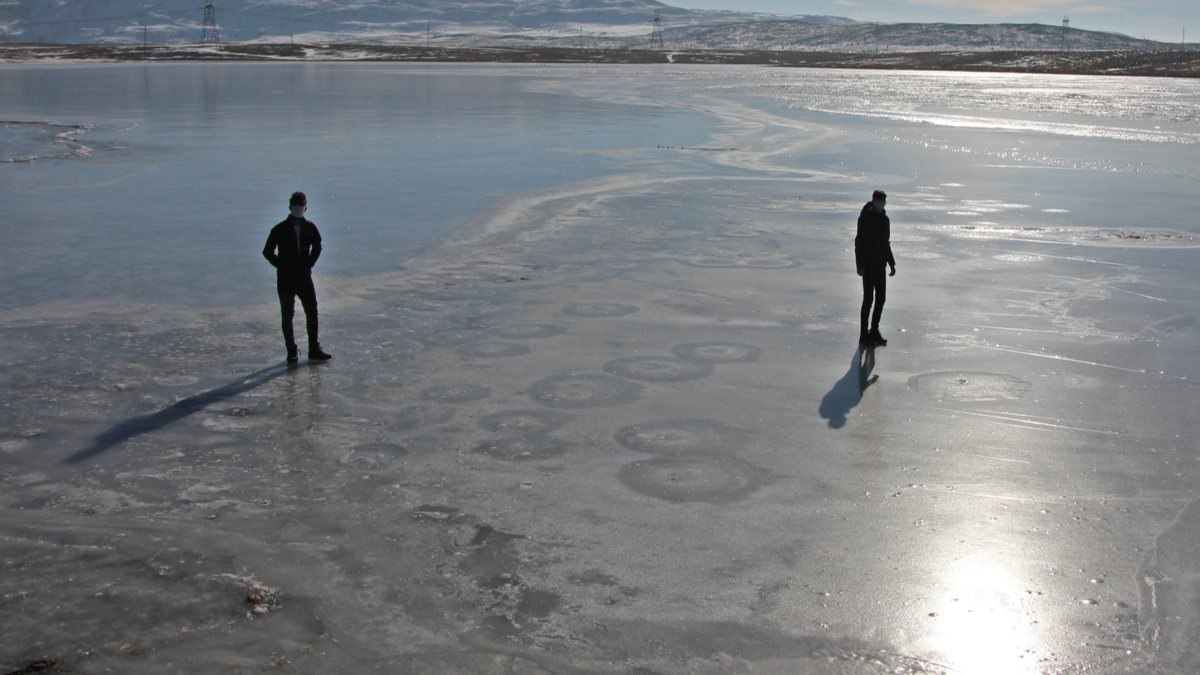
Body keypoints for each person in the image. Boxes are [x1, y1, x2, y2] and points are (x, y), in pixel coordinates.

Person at [263, 191, 331, 363]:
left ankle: (314, 349)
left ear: (305, 207)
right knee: (287, 314)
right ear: (289, 207)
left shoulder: (310, 228)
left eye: (300, 206)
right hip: (285, 279)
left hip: (304, 278)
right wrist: (282, 265)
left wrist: (310, 263)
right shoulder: (279, 229)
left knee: (312, 312)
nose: (298, 208)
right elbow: (267, 251)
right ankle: (291, 351)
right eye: (295, 205)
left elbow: (318, 246)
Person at [855, 189, 896, 348]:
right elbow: (859, 243)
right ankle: (863, 335)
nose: (881, 204)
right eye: (879, 201)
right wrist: (859, 265)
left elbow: (886, 243)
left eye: (883, 201)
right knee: (868, 300)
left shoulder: (885, 220)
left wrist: (891, 263)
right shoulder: (865, 218)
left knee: (881, 299)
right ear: (873, 201)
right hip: (868, 266)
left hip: (880, 266)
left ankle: (874, 331)